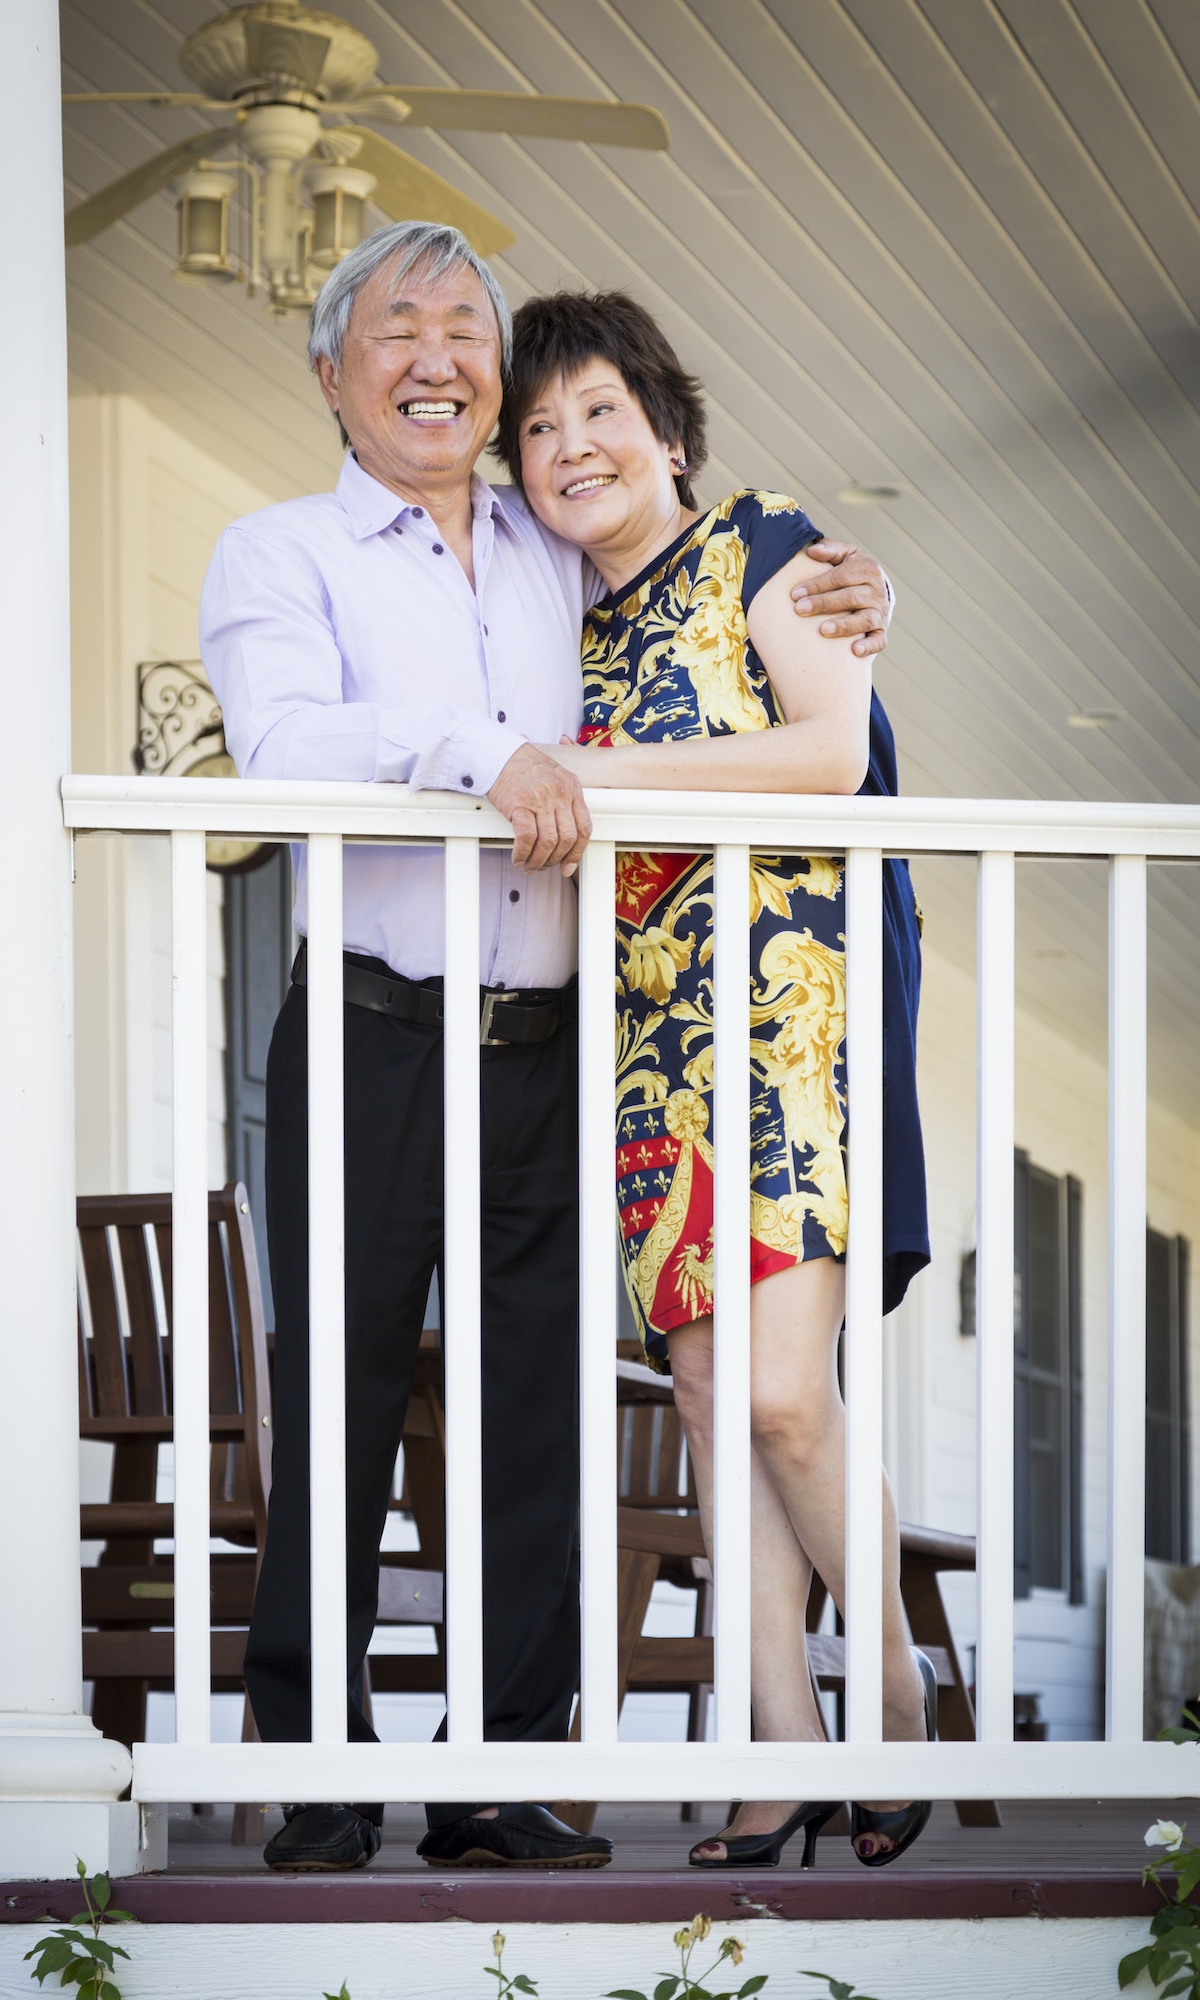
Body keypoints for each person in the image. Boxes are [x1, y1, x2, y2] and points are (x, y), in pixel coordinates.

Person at [200, 223, 894, 1874]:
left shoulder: (546, 538)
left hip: (556, 1038)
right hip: (371, 1022)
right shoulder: (278, 549)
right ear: (330, 374)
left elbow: (702, 574)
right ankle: (318, 1774)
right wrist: (480, 751)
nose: (437, 353)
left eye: (465, 326)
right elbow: (288, 741)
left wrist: (841, 581)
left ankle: (499, 1775)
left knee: (535, 1412)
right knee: (341, 1399)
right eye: (398, 326)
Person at [496, 288, 932, 1870]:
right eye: (537, 429)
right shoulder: (557, 622)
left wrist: (598, 778)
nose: (569, 445)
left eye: (599, 408)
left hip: (785, 1016)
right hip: (649, 1040)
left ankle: (890, 1702)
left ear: (668, 435)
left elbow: (826, 751)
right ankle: (775, 1757)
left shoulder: (765, 548)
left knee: (774, 1396)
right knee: (699, 1400)